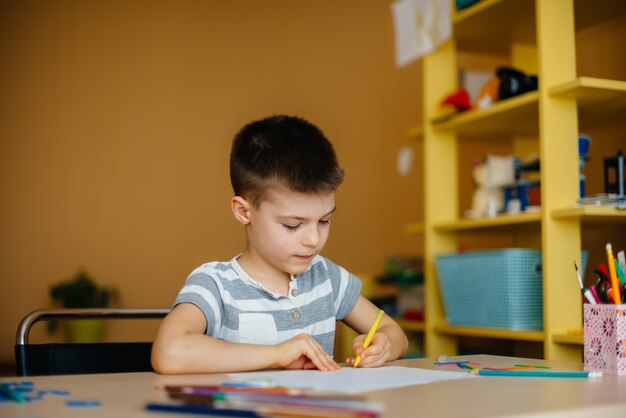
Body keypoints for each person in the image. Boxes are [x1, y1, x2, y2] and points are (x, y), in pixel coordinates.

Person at [151, 115, 408, 374]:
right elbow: (169, 352)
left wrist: (384, 344)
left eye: (324, 220)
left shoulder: (326, 277)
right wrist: (278, 354)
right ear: (243, 211)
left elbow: (393, 331)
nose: (314, 240)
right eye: (293, 225)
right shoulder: (216, 284)